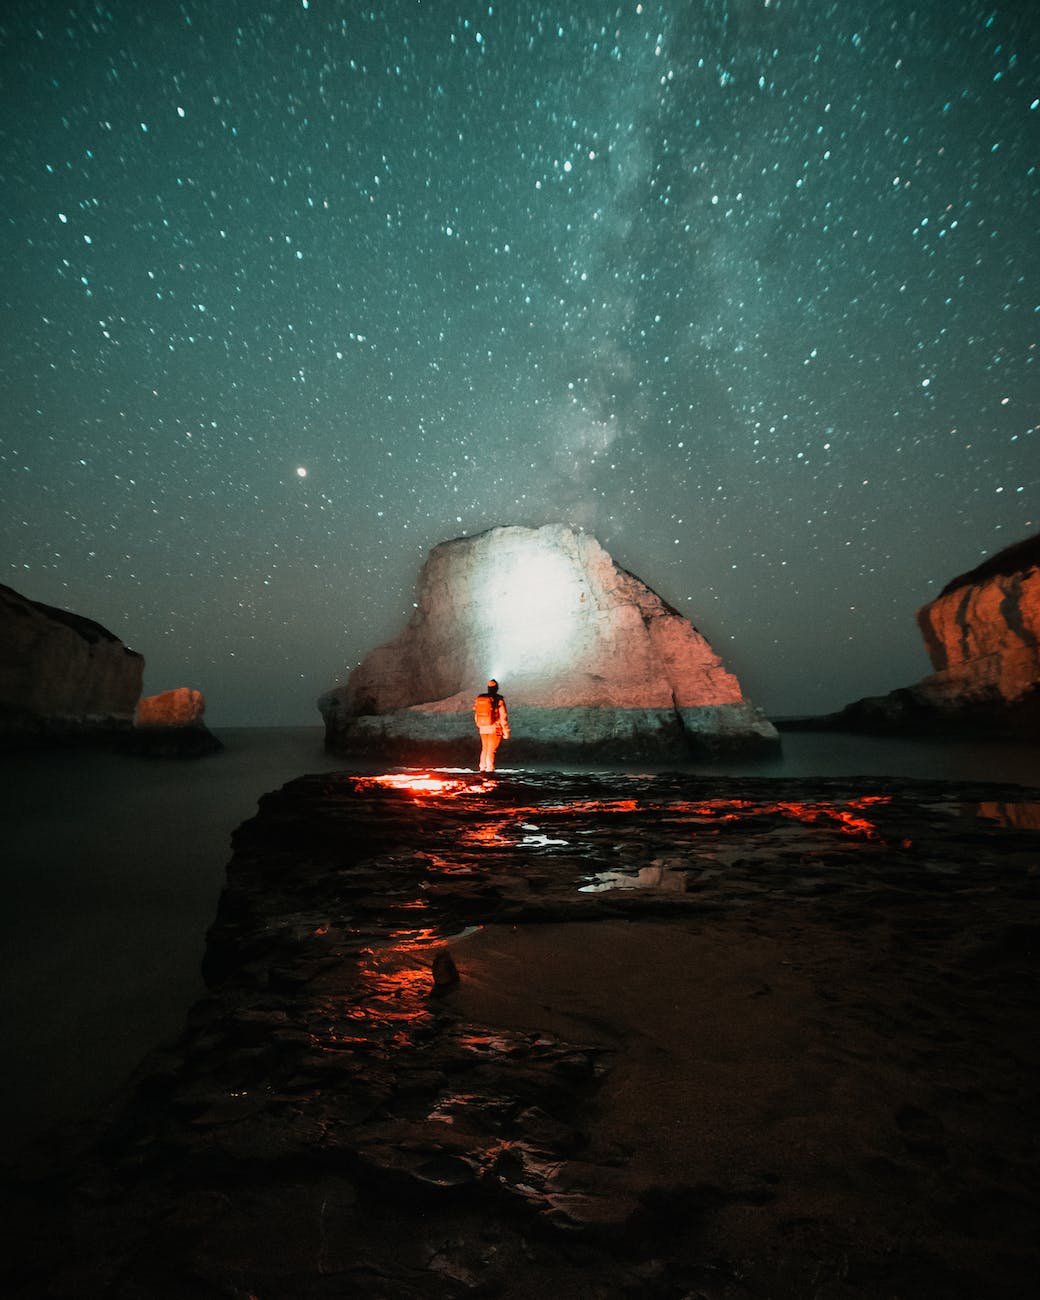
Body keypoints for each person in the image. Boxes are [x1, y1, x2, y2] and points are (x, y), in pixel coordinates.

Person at [473, 678, 509, 773]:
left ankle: (482, 768)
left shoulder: (481, 699)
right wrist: (506, 731)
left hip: (483, 728)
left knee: (484, 748)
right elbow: (503, 716)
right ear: (496, 688)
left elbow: (476, 716)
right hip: (494, 728)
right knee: (491, 750)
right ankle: (490, 770)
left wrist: (481, 726)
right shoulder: (499, 700)